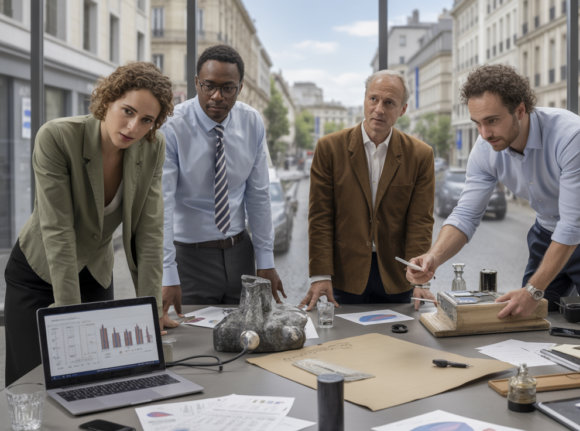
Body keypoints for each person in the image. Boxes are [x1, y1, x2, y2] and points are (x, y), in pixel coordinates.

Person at [3, 62, 174, 385]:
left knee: (96, 381)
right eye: (127, 111)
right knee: (34, 383)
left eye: (147, 120)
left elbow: (150, 231)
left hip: (94, 272)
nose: (133, 127)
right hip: (38, 275)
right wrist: (69, 315)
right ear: (108, 99)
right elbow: (58, 229)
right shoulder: (57, 137)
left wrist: (150, 312)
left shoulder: (153, 148)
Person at [407, 64, 580, 318]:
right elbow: (465, 215)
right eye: (477, 123)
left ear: (520, 110)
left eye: (492, 121)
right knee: (527, 321)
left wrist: (532, 291)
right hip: (545, 234)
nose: (484, 134)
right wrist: (434, 257)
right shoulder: (485, 148)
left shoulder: (572, 134)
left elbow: (574, 224)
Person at [161, 44, 285, 317]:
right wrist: (167, 272)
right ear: (196, 83)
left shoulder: (251, 122)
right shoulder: (172, 126)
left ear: (240, 88)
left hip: (240, 252)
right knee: (194, 343)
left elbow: (259, 196)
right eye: (208, 86)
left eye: (228, 88)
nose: (217, 96)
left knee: (248, 337)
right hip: (188, 258)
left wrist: (265, 261)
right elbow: (162, 205)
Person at [299, 70, 435, 311]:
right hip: (344, 274)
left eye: (389, 102)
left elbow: (420, 221)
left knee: (399, 345)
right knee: (344, 344)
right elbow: (320, 216)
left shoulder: (420, 155)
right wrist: (320, 274)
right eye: (374, 99)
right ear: (364, 99)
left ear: (402, 109)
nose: (379, 109)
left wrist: (419, 278)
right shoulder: (329, 148)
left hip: (398, 276)